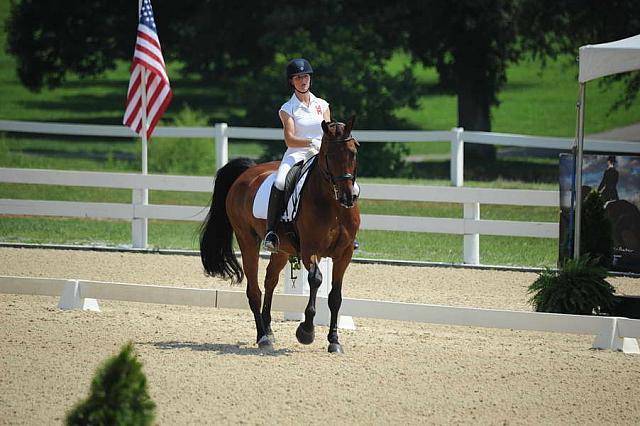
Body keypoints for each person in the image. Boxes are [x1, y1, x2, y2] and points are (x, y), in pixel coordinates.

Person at [262, 58, 331, 252]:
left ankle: (346, 230)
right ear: (291, 81)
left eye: (306, 76)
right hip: (297, 153)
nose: (303, 80)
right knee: (280, 182)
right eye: (298, 77)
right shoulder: (287, 108)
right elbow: (290, 140)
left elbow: (330, 131)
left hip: (320, 154)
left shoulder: (323, 105)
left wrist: (324, 145)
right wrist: (312, 142)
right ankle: (272, 232)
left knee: (342, 182)